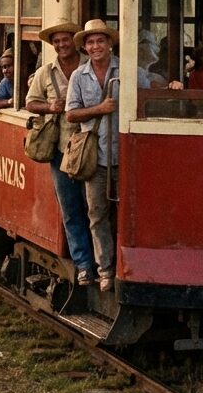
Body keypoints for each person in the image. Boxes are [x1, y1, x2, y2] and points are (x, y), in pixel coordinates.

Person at [65, 19, 163, 292]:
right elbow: (71, 113)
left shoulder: (129, 69)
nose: (96, 46)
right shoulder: (78, 76)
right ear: (85, 47)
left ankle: (128, 267)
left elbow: (149, 96)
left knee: (127, 213)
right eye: (91, 42)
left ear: (110, 44)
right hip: (94, 158)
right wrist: (100, 108)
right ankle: (105, 269)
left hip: (127, 155)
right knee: (97, 215)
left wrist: (171, 87)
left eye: (100, 41)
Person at [26, 19, 93, 285]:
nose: (61, 45)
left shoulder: (90, 66)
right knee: (70, 207)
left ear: (74, 41)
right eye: (56, 41)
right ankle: (84, 263)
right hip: (60, 150)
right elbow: (31, 103)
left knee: (94, 207)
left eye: (65, 40)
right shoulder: (46, 72)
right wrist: (49, 107)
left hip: (90, 147)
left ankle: (101, 261)